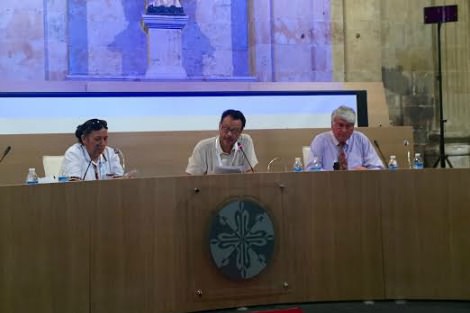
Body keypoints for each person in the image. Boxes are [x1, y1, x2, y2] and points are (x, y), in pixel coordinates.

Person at [306, 105, 384, 171]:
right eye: (340, 125)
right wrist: (333, 176)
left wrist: (365, 172)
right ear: (332, 125)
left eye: (348, 126)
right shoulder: (320, 141)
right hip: (327, 186)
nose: (344, 130)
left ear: (353, 127)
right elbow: (311, 170)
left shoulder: (361, 139)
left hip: (357, 185)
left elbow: (378, 167)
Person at [186, 109, 258, 175]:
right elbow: (191, 178)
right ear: (220, 126)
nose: (229, 134)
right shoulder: (203, 147)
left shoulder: (245, 141)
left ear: (241, 131)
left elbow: (250, 172)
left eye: (234, 130)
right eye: (226, 128)